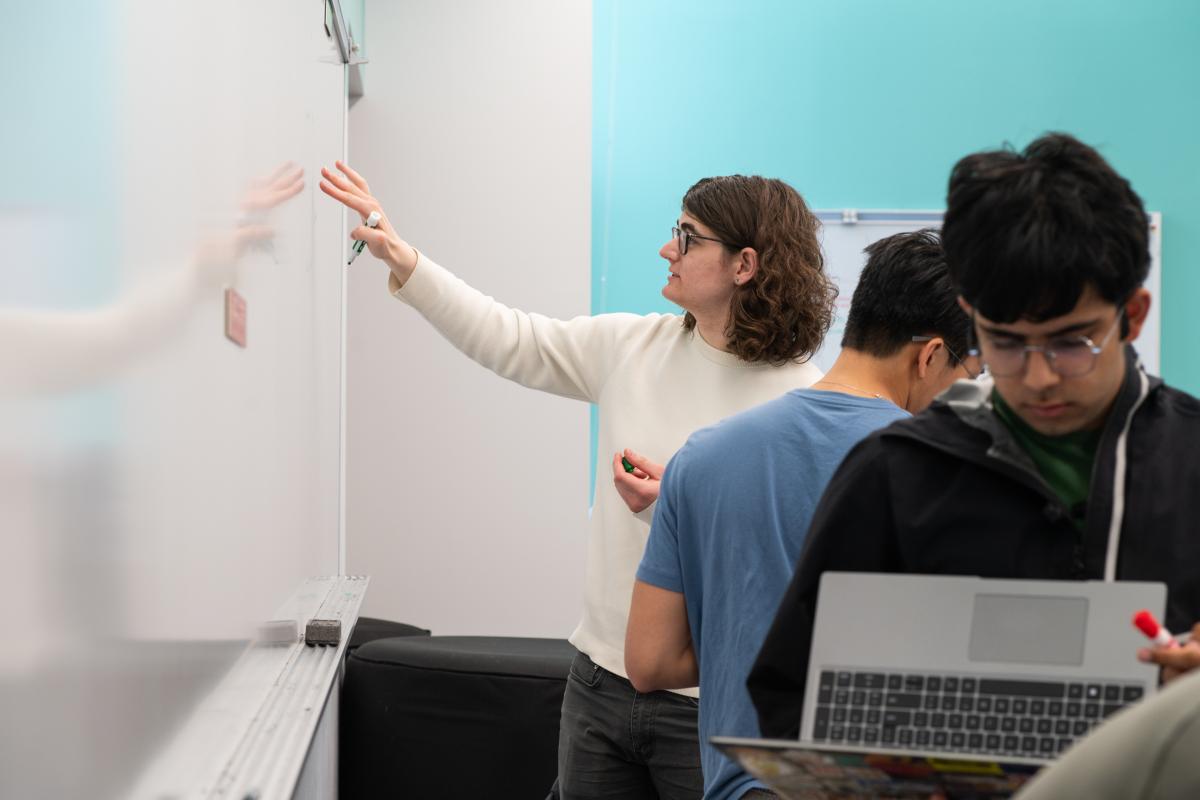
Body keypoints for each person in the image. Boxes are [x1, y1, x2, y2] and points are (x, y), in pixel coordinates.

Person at [320, 164, 836, 799]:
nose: (666, 248)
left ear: (744, 265)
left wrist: (683, 500)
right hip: (597, 684)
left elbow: (799, 562)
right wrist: (403, 256)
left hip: (716, 711)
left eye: (688, 235)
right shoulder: (630, 348)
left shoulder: (804, 400)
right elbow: (506, 335)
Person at [747, 132, 1200, 739]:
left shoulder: (1190, 461)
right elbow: (789, 692)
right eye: (1004, 343)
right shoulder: (895, 472)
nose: (1038, 378)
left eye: (1071, 342)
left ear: (1134, 315)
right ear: (969, 317)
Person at [624, 230, 972, 800]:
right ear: (931, 354)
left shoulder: (702, 456)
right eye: (967, 375)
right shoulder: (940, 468)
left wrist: (745, 647)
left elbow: (650, 662)